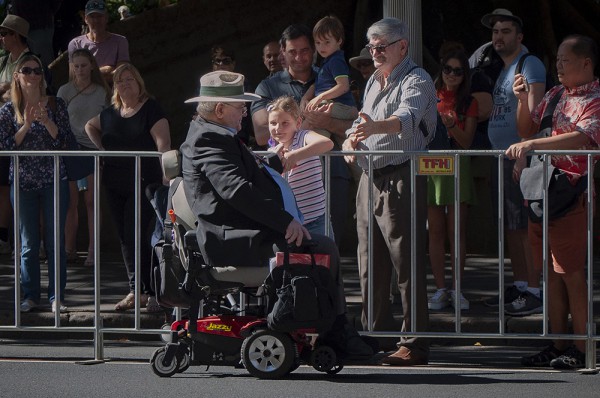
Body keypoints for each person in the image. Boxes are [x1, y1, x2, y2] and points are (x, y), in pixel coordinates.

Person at [180, 70, 373, 359]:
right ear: (220, 110)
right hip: (233, 240)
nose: (245, 113)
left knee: (321, 245)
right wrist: (285, 222)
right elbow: (236, 190)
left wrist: (273, 160)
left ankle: (333, 330)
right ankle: (335, 333)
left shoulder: (211, 133)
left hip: (238, 232)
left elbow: (240, 172)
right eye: (240, 107)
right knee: (322, 247)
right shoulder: (210, 138)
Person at [342, 17, 437, 366]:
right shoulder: (372, 82)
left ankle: (414, 343)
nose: (375, 52)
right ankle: (374, 336)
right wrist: (351, 137)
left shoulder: (417, 79)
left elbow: (407, 119)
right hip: (370, 176)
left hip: (401, 174)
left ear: (403, 46)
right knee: (370, 264)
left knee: (406, 262)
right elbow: (361, 121)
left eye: (382, 46)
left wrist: (371, 128)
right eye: (371, 46)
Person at [506, 35, 600, 370]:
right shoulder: (556, 94)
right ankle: (558, 343)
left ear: (586, 63)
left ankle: (581, 346)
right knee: (550, 274)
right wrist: (521, 100)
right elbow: (526, 127)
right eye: (557, 59)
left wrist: (532, 146)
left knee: (571, 274)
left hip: (571, 195)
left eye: (565, 59)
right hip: (541, 192)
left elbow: (582, 137)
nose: (558, 66)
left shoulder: (596, 98)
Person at [251, 24, 352, 248]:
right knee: (290, 256)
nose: (299, 56)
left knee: (330, 251)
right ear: (282, 53)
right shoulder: (267, 87)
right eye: (292, 51)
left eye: (305, 50)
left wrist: (327, 123)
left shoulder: (330, 76)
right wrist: (301, 126)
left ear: (314, 50)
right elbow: (260, 135)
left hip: (333, 173)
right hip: (288, 183)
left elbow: (354, 124)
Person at [477, 9, 547, 317]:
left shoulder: (528, 64)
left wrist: (525, 155)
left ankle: (534, 289)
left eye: (506, 31)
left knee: (524, 227)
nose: (498, 37)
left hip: (522, 158)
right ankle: (520, 285)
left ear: (519, 37)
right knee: (511, 226)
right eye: (495, 32)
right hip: (503, 156)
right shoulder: (502, 68)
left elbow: (533, 115)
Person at [85, 63, 170, 312]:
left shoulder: (151, 109)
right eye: (120, 81)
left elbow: (163, 145)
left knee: (142, 236)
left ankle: (155, 290)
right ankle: (136, 290)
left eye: (129, 79)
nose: (124, 84)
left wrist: (167, 178)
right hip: (114, 181)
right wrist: (103, 149)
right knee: (124, 237)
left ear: (139, 82)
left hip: (144, 182)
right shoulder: (111, 113)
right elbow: (90, 126)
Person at [0, 54, 74, 313]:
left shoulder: (56, 105)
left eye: (37, 71)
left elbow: (65, 142)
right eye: (27, 71)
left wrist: (46, 121)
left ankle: (57, 297)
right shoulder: (8, 110)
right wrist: (27, 125)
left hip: (54, 181)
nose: (33, 75)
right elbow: (5, 146)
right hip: (22, 184)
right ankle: (30, 295)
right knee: (28, 244)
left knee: (55, 242)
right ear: (17, 77)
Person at [427, 49, 478, 311]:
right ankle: (440, 289)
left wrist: (450, 125)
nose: (452, 75)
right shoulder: (429, 96)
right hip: (432, 166)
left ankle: (457, 289)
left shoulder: (469, 101)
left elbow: (467, 141)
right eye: (448, 69)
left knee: (456, 231)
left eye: (458, 71)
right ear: (441, 69)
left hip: (458, 165)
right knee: (435, 231)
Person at [56, 48, 109, 266]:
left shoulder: (102, 91)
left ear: (92, 66)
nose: (80, 70)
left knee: (91, 202)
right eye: (75, 66)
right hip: (70, 148)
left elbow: (108, 120)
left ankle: (92, 250)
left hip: (93, 149)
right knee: (70, 202)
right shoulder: (64, 90)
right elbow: (59, 120)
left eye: (84, 65)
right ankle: (69, 249)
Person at [266, 95, 334, 235]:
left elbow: (327, 143)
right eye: (273, 123)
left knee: (324, 256)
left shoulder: (303, 137)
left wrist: (295, 155)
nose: (278, 128)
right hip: (290, 224)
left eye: (285, 123)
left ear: (297, 123)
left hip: (317, 220)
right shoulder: (271, 151)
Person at [0, 14, 31, 255]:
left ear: (16, 35)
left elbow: (18, 92)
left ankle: (22, 239)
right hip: (3, 125)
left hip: (21, 125)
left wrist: (6, 90)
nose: (1, 38)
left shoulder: (29, 61)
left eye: (5, 33)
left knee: (17, 186)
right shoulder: (3, 61)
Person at [300, 15, 358, 137]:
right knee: (318, 134)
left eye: (327, 42)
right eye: (318, 42)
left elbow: (344, 86)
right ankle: (318, 153)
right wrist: (305, 98)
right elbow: (318, 84)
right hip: (334, 107)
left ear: (339, 41)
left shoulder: (336, 60)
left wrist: (320, 98)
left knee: (307, 122)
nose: (322, 47)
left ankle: (294, 148)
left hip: (342, 106)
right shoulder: (328, 61)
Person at [68, 0, 130, 85]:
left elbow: (121, 73)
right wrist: (107, 69)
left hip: (114, 91)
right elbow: (74, 77)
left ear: (106, 18)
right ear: (86, 19)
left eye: (100, 16)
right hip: (86, 92)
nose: (96, 20)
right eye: (92, 17)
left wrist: (90, 73)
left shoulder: (120, 41)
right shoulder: (76, 44)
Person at [210, 44, 255, 147]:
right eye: (217, 61)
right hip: (212, 136)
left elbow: (245, 116)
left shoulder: (242, 84)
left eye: (226, 61)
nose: (221, 64)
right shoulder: (206, 86)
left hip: (238, 136)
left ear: (233, 64)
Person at [10, 0, 62, 66]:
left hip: (39, 26)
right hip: (20, 27)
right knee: (24, 64)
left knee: (44, 63)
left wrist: (46, 13)